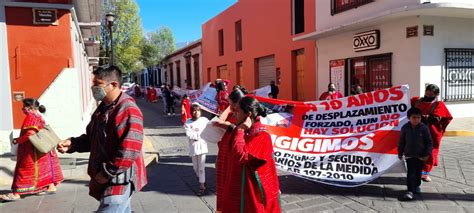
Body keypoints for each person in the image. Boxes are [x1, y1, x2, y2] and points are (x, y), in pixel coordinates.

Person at [57, 65, 147, 212]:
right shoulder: (103, 108)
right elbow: (93, 138)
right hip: (107, 178)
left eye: (98, 84)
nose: (93, 88)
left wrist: (105, 175)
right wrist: (73, 144)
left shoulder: (128, 109)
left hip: (118, 181)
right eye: (93, 84)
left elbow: (129, 151)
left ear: (114, 85)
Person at [221, 96, 281, 213]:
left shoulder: (262, 136)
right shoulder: (245, 130)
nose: (234, 114)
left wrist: (240, 131)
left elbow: (241, 156)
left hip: (253, 193)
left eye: (237, 111)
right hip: (239, 189)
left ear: (248, 115)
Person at [0, 99, 63, 201]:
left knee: (23, 170)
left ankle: (16, 193)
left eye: (23, 107)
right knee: (45, 169)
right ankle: (51, 186)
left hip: (32, 151)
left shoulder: (31, 117)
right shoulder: (40, 116)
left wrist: (18, 140)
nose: (22, 109)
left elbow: (30, 133)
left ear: (30, 108)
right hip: (43, 148)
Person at [213, 88, 246, 212]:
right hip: (224, 156)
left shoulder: (245, 116)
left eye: (232, 104)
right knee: (223, 187)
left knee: (233, 191)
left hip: (234, 159)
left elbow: (243, 133)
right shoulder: (233, 114)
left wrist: (230, 126)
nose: (230, 107)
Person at [410, 84, 452, 182]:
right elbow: (403, 102)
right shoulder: (417, 101)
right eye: (427, 93)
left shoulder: (439, 104)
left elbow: (439, 118)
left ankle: (425, 173)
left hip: (431, 133)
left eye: (431, 94)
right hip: (416, 131)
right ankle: (416, 171)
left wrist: (426, 117)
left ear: (436, 94)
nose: (428, 96)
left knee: (430, 152)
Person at [398, 107, 433, 201]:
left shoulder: (424, 128)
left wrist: (427, 153)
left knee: (418, 173)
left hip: (420, 156)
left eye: (418, 117)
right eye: (414, 117)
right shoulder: (405, 128)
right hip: (409, 155)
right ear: (409, 118)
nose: (416, 119)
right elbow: (402, 141)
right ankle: (410, 191)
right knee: (410, 173)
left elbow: (429, 142)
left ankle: (417, 185)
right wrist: (400, 152)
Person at [184, 104, 209, 196]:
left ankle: (202, 186)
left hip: (202, 146)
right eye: (194, 110)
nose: (196, 112)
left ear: (200, 111)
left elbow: (211, 128)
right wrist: (198, 135)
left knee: (201, 168)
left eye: (198, 110)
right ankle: (203, 180)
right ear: (191, 112)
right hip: (193, 148)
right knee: (196, 168)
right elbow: (189, 134)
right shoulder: (188, 122)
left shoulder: (205, 120)